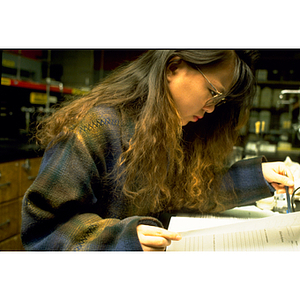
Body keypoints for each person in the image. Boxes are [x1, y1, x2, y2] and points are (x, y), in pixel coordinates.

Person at [21, 50, 294, 251]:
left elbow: (189, 191)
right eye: (212, 92)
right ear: (173, 67)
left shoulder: (167, 132)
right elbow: (43, 229)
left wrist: (258, 176)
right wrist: (123, 240)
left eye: (219, 101)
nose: (211, 108)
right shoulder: (96, 127)